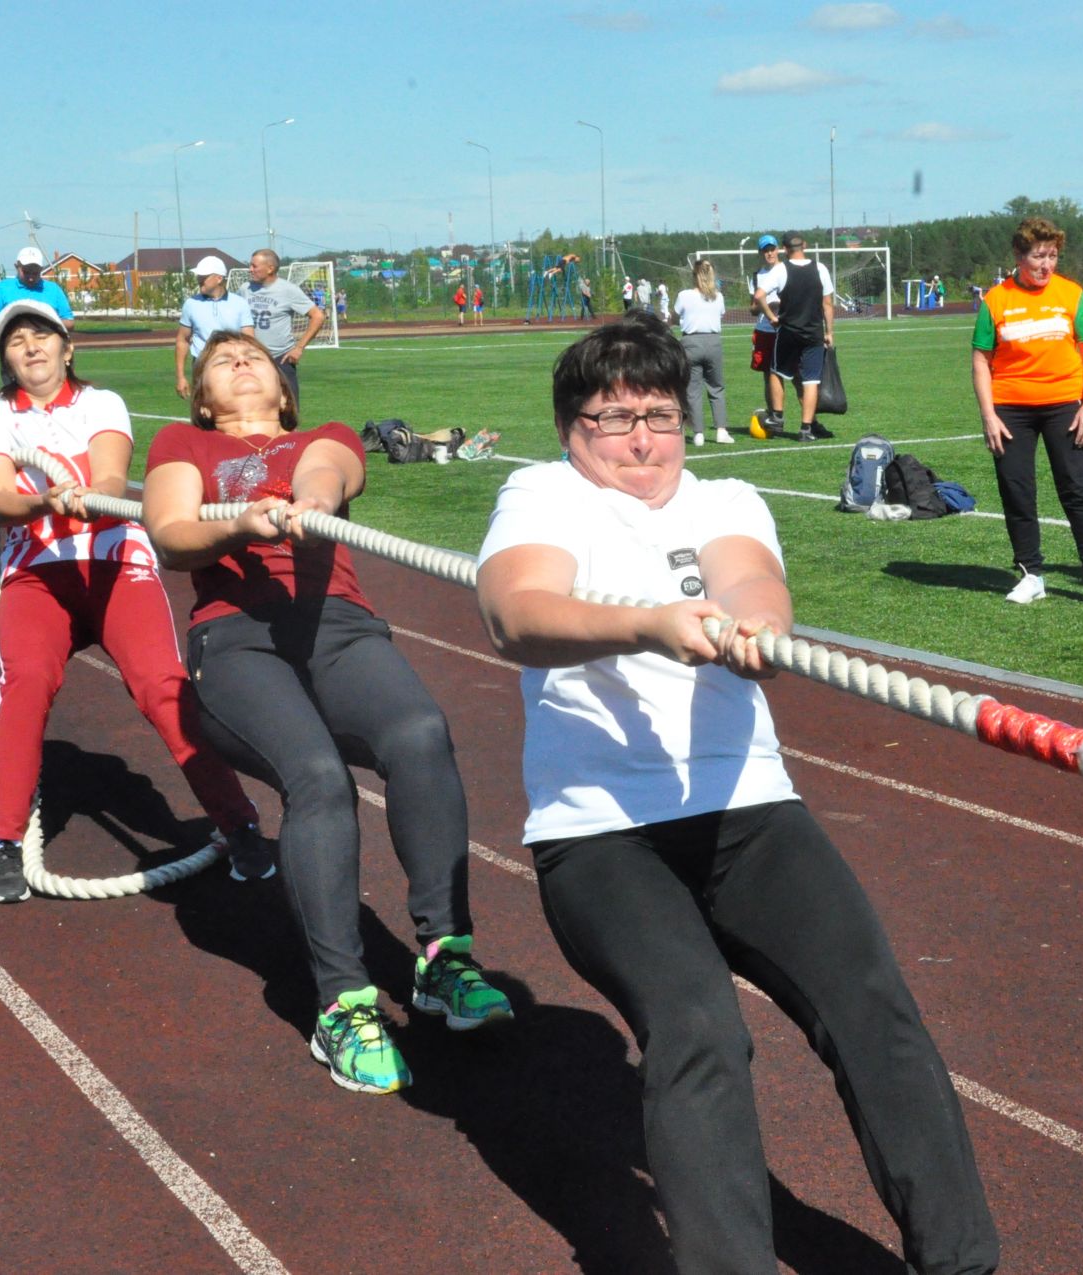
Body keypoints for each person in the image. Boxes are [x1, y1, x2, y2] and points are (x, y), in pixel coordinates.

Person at [474, 311, 999, 1274]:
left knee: (874, 1009)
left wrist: (755, 625)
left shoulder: (723, 497)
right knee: (698, 1026)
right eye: (614, 418)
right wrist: (648, 625)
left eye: (662, 416)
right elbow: (517, 612)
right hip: (602, 834)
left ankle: (961, 1262)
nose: (642, 439)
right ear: (569, 431)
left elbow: (753, 583)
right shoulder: (543, 494)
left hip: (747, 810)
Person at [142, 329, 513, 1094]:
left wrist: (307, 502)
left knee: (419, 733)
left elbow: (328, 472)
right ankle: (343, 1004)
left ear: (284, 389)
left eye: (256, 357)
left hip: (334, 624)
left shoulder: (324, 437)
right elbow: (172, 532)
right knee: (317, 776)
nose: (243, 362)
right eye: (221, 360)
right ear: (203, 397)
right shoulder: (183, 443)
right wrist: (245, 520)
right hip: (237, 638)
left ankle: (445, 960)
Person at [0, 299, 266, 905]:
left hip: (115, 566)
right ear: (5, 358)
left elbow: (110, 477)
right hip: (38, 574)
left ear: (66, 347)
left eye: (42, 335)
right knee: (23, 682)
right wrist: (47, 502)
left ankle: (240, 824)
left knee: (163, 687)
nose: (30, 346)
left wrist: (86, 497)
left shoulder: (102, 403)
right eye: (16, 339)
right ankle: (4, 844)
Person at [973, 216, 1083, 607]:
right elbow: (980, 360)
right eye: (1038, 256)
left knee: (1077, 490)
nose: (1046, 265)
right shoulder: (996, 300)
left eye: (1052, 256)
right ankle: (1030, 574)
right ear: (1019, 256)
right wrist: (989, 414)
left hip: (1065, 407)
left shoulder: (1071, 295)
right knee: (1017, 492)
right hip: (1010, 410)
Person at [758, 234, 837, 442]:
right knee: (811, 381)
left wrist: (772, 317)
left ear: (784, 249)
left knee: (776, 372)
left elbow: (759, 296)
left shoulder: (781, 269)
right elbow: (827, 304)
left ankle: (777, 416)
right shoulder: (820, 269)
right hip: (813, 333)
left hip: (788, 332)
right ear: (805, 246)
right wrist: (829, 332)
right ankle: (805, 429)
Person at [242, 249, 326, 401]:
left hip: (280, 359)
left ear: (270, 268)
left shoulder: (288, 290)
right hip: (251, 359)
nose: (250, 270)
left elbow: (318, 316)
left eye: (254, 266)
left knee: (288, 413)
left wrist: (299, 348)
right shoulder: (245, 289)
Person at [673, 258, 733, 447]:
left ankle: (698, 433)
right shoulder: (719, 297)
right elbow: (720, 313)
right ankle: (721, 430)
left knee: (693, 390)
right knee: (716, 387)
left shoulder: (684, 295)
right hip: (713, 342)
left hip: (691, 342)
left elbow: (675, 315)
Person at [174, 256, 252, 400]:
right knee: (203, 415)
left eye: (204, 276)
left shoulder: (240, 303)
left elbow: (249, 340)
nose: (199, 280)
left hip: (232, 366)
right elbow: (182, 341)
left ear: (219, 278)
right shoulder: (191, 304)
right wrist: (181, 377)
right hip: (201, 366)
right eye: (199, 276)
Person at [747, 234, 788, 436]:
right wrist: (765, 307)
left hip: (786, 330)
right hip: (764, 331)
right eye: (765, 250)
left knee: (793, 375)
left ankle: (809, 421)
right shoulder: (757, 276)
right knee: (767, 375)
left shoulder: (787, 271)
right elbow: (752, 309)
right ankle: (773, 416)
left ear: (778, 249)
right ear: (761, 253)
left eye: (772, 249)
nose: (769, 253)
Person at [0, 247, 75, 332]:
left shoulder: (54, 290)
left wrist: (45, 323)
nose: (31, 277)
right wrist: (18, 324)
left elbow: (69, 323)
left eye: (35, 273)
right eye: (26, 272)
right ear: (17, 266)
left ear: (41, 269)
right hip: (15, 346)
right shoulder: (2, 288)